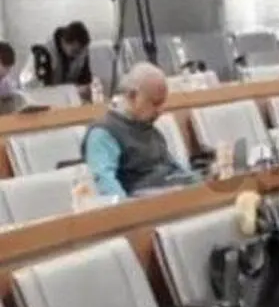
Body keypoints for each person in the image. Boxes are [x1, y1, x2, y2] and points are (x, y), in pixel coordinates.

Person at [82, 63, 198, 198]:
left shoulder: (147, 126)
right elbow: (106, 184)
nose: (160, 110)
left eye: (162, 103)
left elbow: (172, 166)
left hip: (175, 192)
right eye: (155, 103)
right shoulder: (103, 133)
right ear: (132, 96)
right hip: (148, 201)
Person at [36, 21, 92, 87]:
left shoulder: (82, 51)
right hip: (45, 89)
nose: (78, 55)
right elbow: (44, 85)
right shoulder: (44, 52)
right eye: (75, 51)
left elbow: (86, 79)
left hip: (69, 90)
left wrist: (84, 87)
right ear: (63, 42)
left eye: (80, 52)